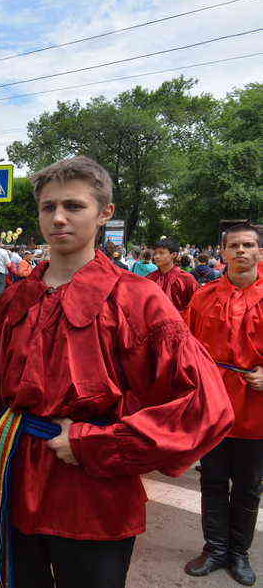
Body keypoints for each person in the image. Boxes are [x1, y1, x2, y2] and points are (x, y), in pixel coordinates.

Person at [0, 156, 232, 588]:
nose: (58, 217)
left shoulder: (138, 299)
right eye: (48, 207)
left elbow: (205, 404)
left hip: (93, 492)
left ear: (104, 214)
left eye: (74, 206)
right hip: (12, 480)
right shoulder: (18, 298)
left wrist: (96, 444)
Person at [183, 222, 263, 586]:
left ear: (259, 251)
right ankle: (214, 548)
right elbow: (186, 347)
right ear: (223, 252)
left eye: (249, 245)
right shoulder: (203, 296)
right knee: (213, 481)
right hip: (214, 408)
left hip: (256, 412)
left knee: (248, 486)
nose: (242, 251)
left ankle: (239, 553)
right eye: (235, 246)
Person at [148, 238, 199, 312]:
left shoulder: (187, 279)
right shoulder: (150, 279)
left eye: (161, 253)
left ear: (174, 255)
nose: (156, 256)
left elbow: (196, 306)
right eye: (155, 253)